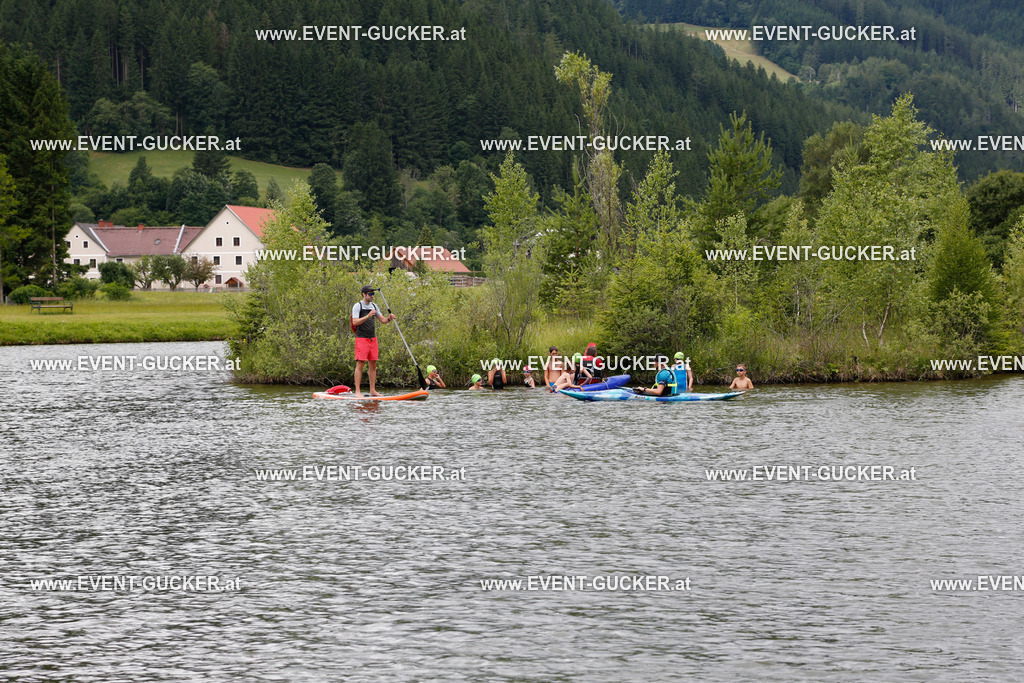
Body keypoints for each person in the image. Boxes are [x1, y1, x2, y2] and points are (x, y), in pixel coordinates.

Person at [351, 285, 395, 397]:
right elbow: (355, 322)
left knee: (373, 365)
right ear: (364, 294)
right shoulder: (358, 306)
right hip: (361, 339)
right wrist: (368, 316)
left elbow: (383, 320)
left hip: (372, 339)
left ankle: (372, 390)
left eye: (373, 293)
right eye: (370, 294)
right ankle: (358, 392)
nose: (372, 296)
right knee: (360, 364)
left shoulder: (374, 306)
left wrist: (389, 318)